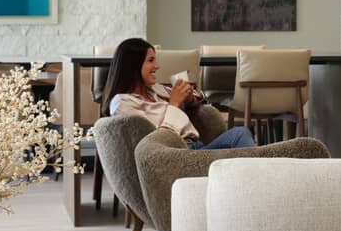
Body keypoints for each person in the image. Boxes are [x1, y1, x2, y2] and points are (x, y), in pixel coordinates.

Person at [100, 37, 257, 150]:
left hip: (196, 146)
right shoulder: (123, 103)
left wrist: (189, 98)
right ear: (133, 65)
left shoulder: (156, 90)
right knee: (239, 135)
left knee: (240, 137)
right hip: (178, 154)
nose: (157, 66)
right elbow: (154, 143)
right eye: (151, 60)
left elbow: (198, 98)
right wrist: (174, 103)